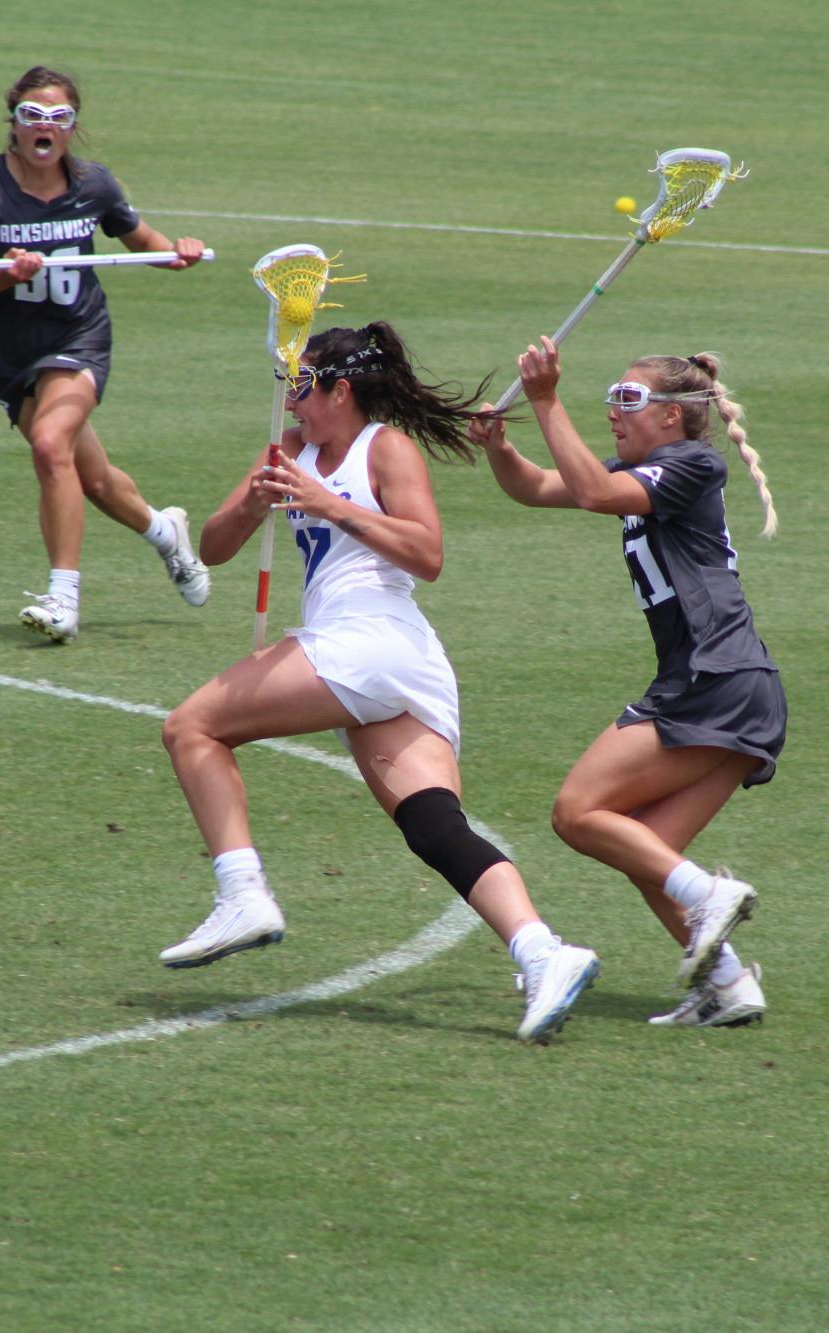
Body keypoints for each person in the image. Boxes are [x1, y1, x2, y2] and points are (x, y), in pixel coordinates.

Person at [158, 322, 601, 1043]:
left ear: (342, 389)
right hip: (374, 662)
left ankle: (243, 894)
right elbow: (212, 546)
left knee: (192, 727)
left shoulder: (384, 448)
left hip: (372, 642)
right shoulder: (290, 449)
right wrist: (255, 500)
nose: (293, 401)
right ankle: (545, 952)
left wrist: (329, 503)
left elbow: (427, 553)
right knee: (434, 827)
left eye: (304, 387)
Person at [470, 335, 784, 1029]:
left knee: (577, 812)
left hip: (714, 676)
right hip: (735, 683)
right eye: (610, 398)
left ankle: (708, 895)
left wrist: (546, 399)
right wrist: (499, 446)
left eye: (628, 399)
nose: (613, 411)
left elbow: (591, 490)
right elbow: (539, 487)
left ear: (672, 415)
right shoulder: (646, 469)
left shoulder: (693, 465)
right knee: (645, 850)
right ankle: (730, 987)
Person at [0, 65, 211, 644]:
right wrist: (1, 277)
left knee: (50, 444)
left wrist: (177, 252)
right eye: (33, 115)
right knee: (95, 480)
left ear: (72, 127)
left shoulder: (93, 185)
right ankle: (166, 532)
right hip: (11, 355)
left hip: (78, 339)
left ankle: (63, 598)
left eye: (58, 118)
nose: (45, 127)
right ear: (13, 122)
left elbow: (142, 243)